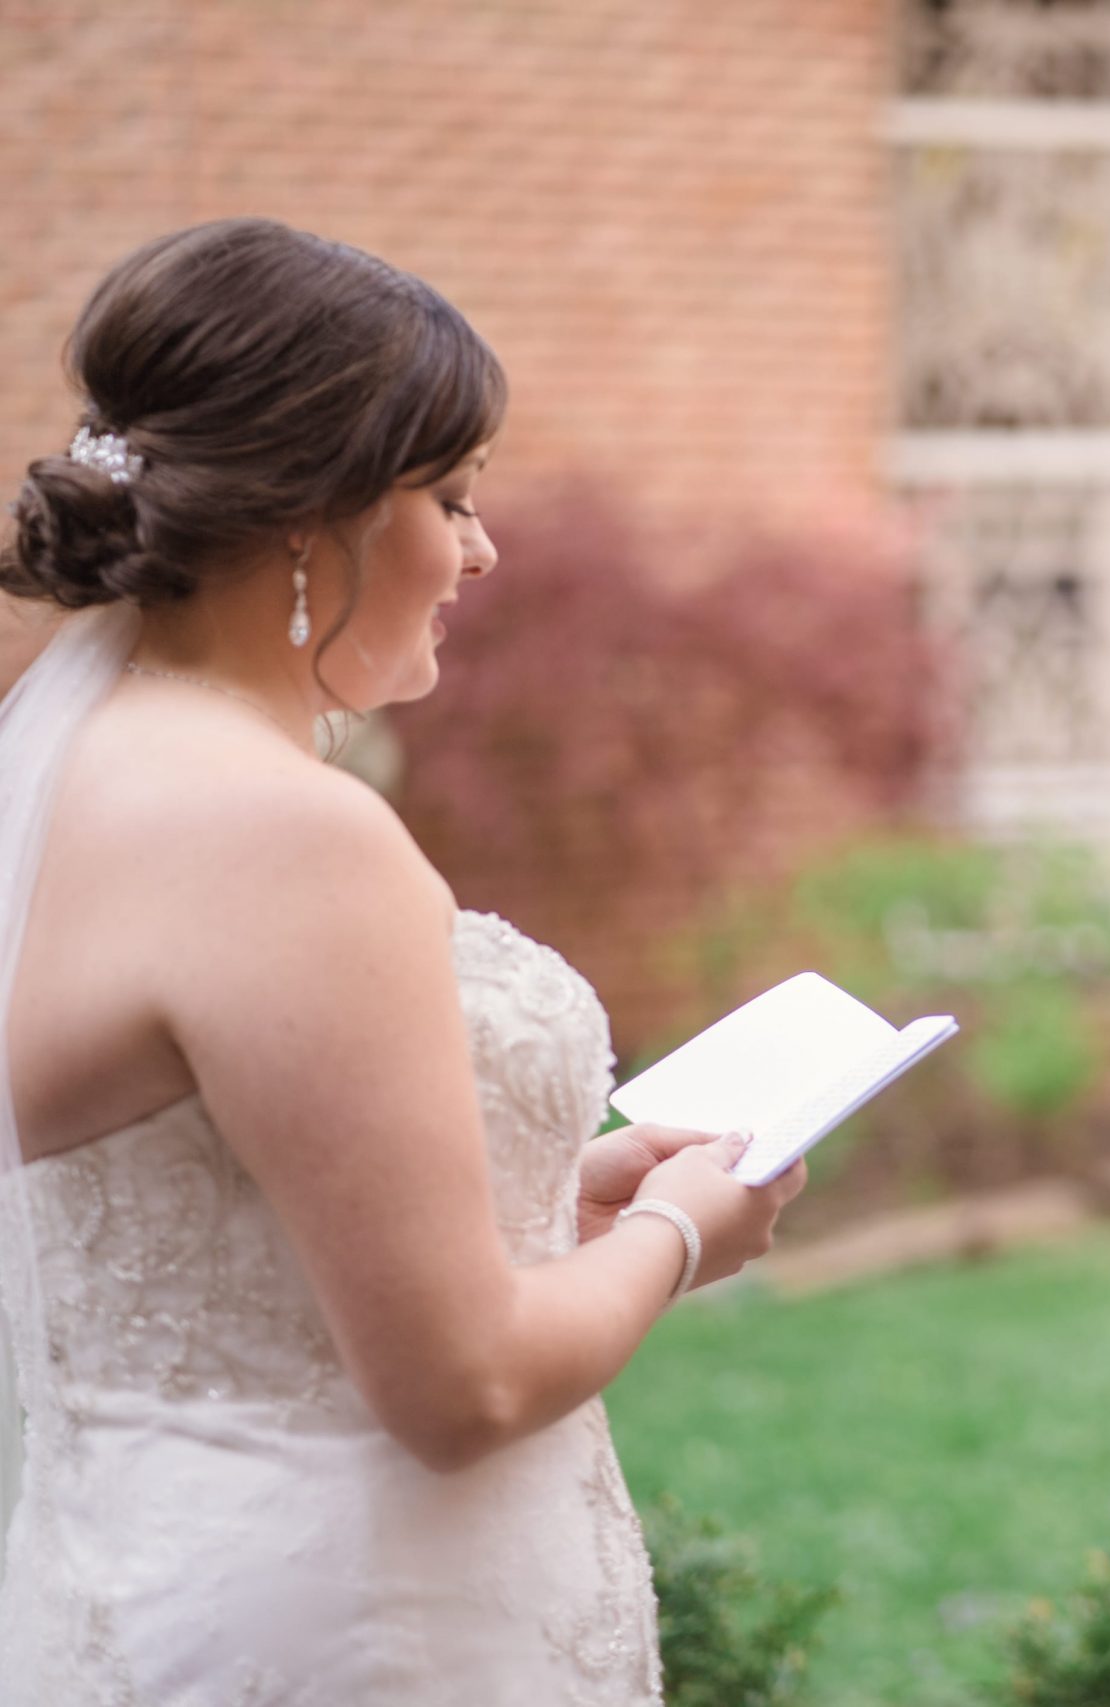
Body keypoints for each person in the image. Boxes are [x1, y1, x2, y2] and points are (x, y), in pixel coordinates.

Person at [0, 217, 805, 1704]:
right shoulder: (287, 835)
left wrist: (555, 1211)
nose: (481, 549)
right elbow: (463, 1386)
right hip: (360, 1630)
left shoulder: (91, 781)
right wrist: (683, 1228)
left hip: (142, 1587)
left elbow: (236, 1241)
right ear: (316, 515)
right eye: (450, 494)